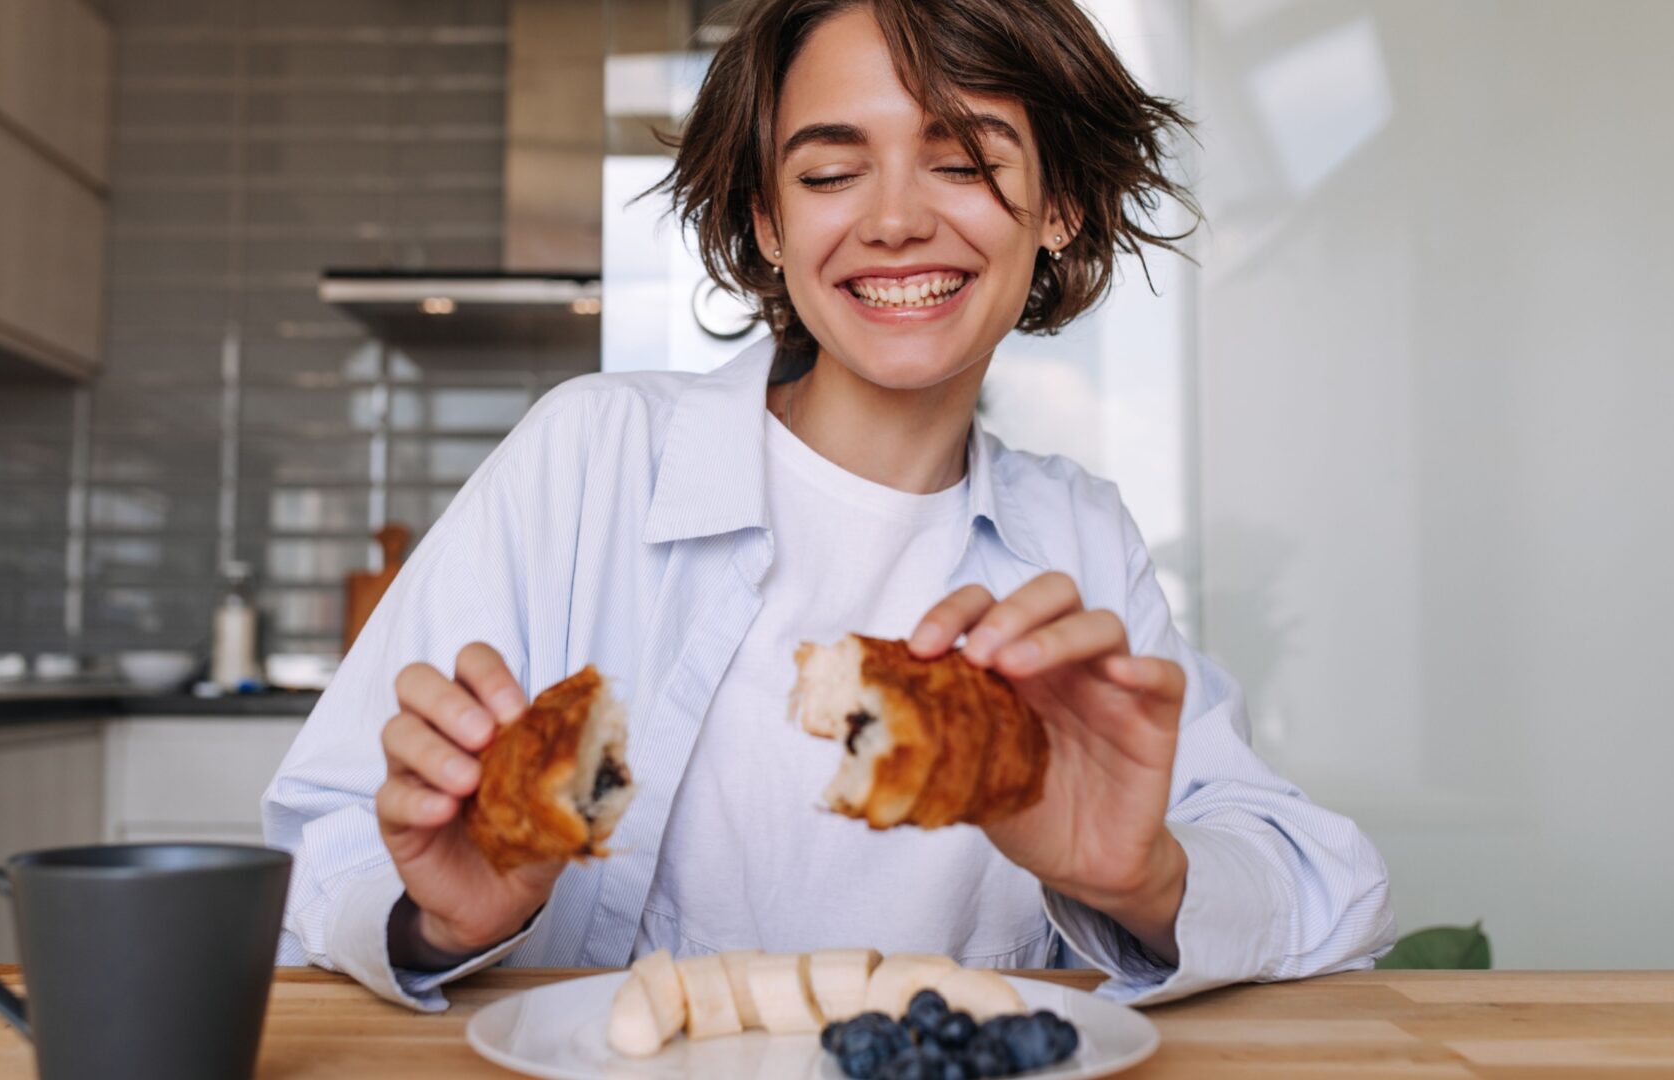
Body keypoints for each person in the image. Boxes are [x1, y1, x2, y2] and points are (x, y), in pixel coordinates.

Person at [263, 0, 1394, 1013]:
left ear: (1062, 209)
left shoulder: (1076, 536)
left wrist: (1145, 879)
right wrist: (447, 916)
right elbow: (323, 841)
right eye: (828, 172)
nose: (894, 221)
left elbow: (1325, 888)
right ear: (767, 223)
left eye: (962, 162)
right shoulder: (590, 456)